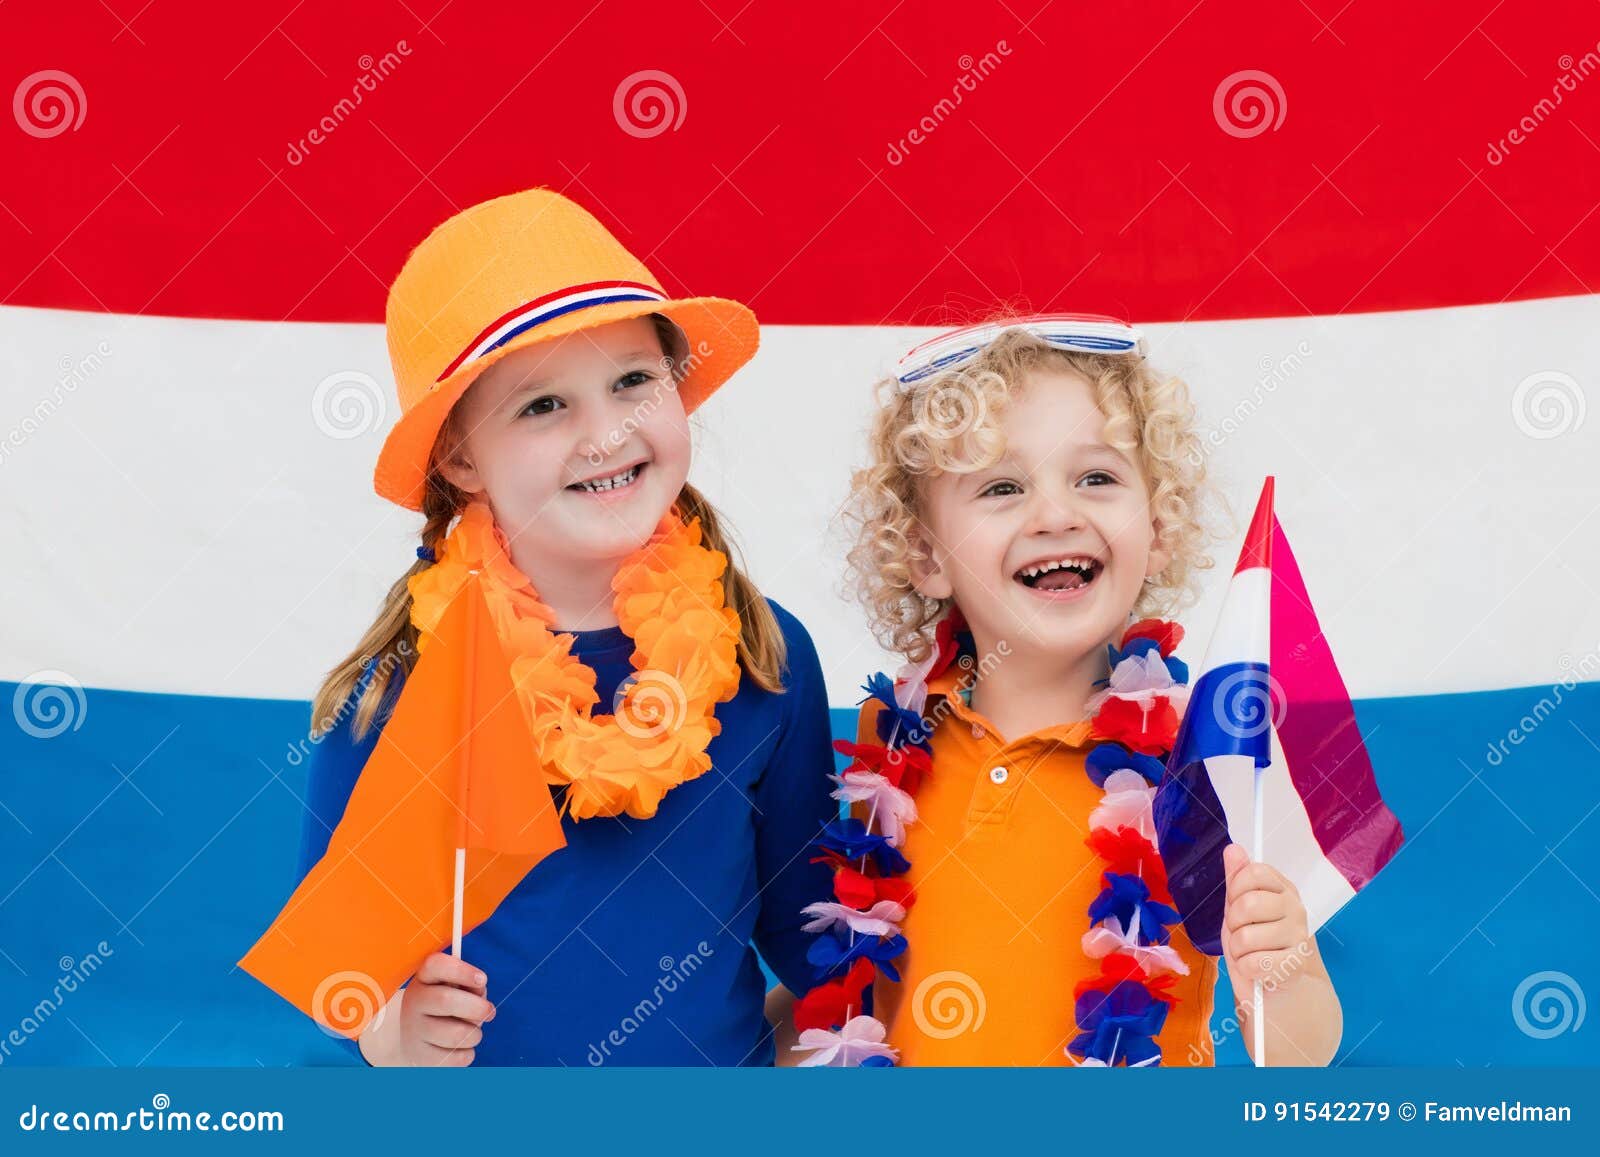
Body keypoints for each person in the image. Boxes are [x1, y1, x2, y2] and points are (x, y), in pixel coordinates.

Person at [297, 188, 835, 1066]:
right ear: (462, 458)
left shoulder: (767, 655)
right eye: (544, 405)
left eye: (631, 381)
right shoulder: (409, 685)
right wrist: (393, 1034)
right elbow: (341, 981)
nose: (605, 432)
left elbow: (811, 934)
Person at [780, 316, 1342, 1066]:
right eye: (1003, 487)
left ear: (1161, 523)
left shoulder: (1204, 756)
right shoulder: (893, 742)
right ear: (924, 554)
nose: (1056, 514)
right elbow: (851, 986)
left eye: (1097, 478)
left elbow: (1302, 1054)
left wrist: (1284, 960)